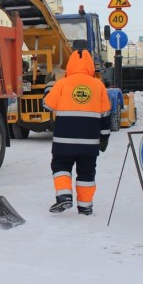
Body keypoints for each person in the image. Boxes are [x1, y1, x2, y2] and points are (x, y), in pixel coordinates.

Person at [43, 48, 111, 215]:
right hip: (90, 141)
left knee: (61, 166)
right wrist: (104, 136)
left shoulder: (62, 84)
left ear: (70, 65)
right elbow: (106, 115)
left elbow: (47, 105)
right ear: (90, 66)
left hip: (63, 141)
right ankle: (85, 206)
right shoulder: (98, 85)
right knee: (87, 171)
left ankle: (64, 196)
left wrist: (49, 86)